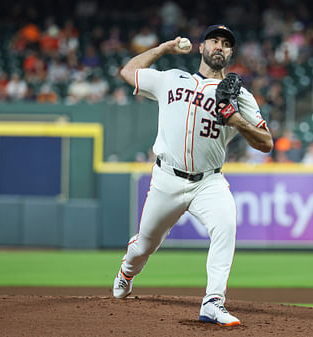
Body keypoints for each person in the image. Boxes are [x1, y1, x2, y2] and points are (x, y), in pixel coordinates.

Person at [113, 25, 273, 326]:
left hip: (208, 182)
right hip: (166, 179)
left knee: (225, 226)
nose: (219, 46)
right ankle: (127, 271)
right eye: (214, 40)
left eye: (226, 44)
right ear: (201, 47)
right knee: (144, 246)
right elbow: (128, 71)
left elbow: (266, 143)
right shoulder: (172, 79)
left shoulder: (240, 95)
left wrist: (236, 119)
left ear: (231, 53)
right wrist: (163, 49)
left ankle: (213, 302)